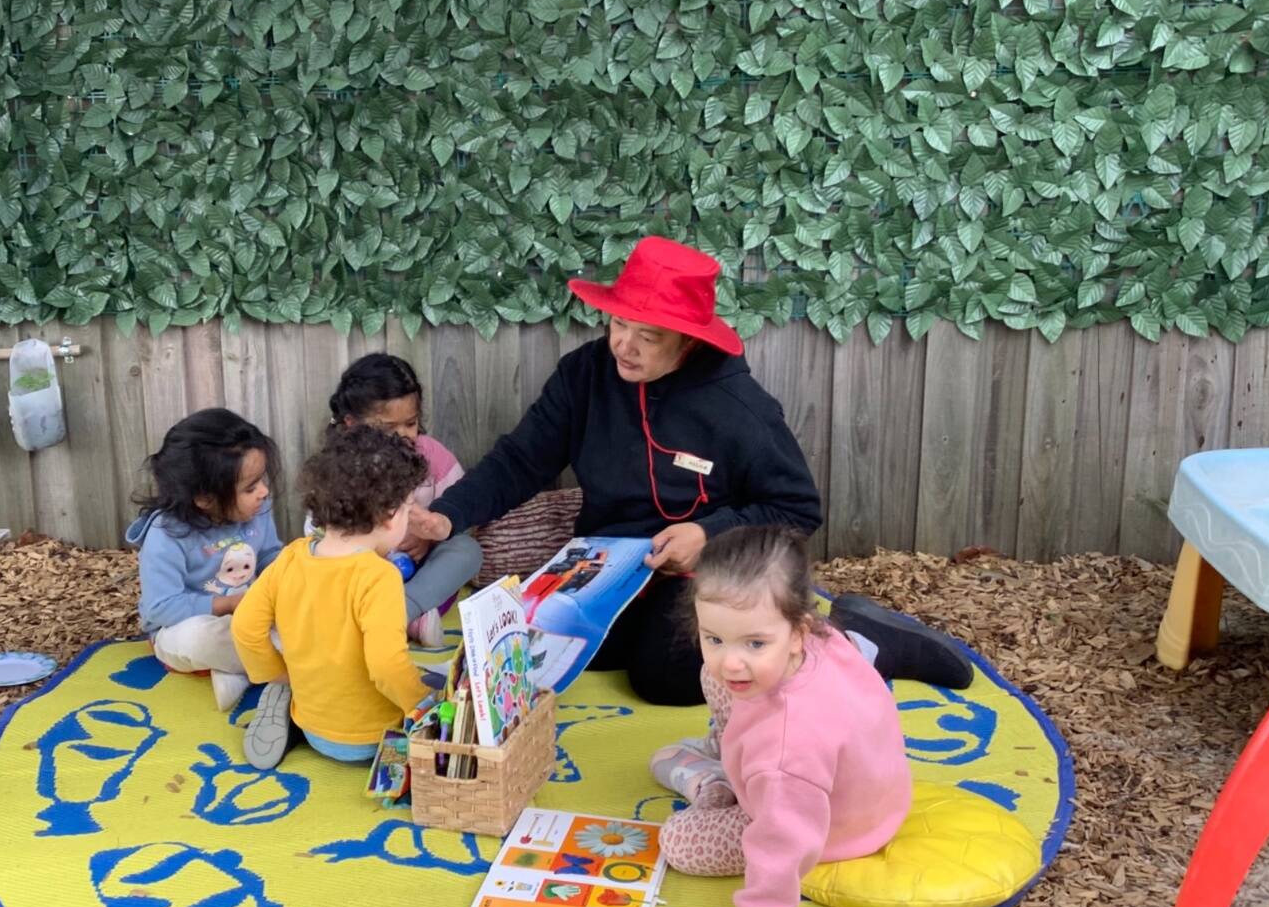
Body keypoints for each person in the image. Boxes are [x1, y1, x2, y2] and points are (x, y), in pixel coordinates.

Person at [407, 235, 974, 704]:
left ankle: (858, 639)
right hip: (611, 566)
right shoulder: (584, 375)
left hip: (708, 569)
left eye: (648, 336)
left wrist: (709, 535)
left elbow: (796, 509)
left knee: (665, 678)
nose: (624, 346)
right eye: (618, 324)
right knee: (556, 649)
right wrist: (447, 516)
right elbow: (520, 459)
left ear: (687, 341)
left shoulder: (737, 405)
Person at [653, 525, 912, 907]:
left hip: (833, 825)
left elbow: (784, 841)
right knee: (714, 676)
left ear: (797, 631)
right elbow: (738, 659)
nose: (731, 660)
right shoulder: (817, 637)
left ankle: (717, 783)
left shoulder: (787, 750)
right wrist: (751, 653)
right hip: (868, 786)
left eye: (755, 643)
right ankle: (732, 760)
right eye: (713, 638)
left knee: (677, 842)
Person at [232, 424, 439, 769]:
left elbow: (244, 627)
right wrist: (423, 703)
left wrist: (278, 673)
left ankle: (287, 706)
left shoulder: (290, 558)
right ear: (390, 516)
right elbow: (386, 665)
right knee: (434, 686)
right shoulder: (379, 577)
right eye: (408, 508)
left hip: (314, 727)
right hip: (373, 738)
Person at [318, 353, 482, 648]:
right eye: (387, 428)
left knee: (467, 550)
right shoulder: (341, 465)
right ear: (351, 423)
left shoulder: (434, 457)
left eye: (410, 423)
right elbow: (320, 534)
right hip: (362, 576)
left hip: (419, 577)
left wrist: (428, 539)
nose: (403, 436)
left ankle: (403, 612)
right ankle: (392, 618)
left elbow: (462, 517)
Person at [125, 409, 283, 712]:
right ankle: (281, 669)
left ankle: (239, 672)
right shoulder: (166, 535)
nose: (263, 492)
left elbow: (269, 557)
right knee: (199, 639)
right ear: (204, 498)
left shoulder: (257, 508)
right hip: (183, 628)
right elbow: (161, 608)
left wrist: (288, 581)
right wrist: (229, 604)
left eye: (262, 480)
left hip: (251, 616)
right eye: (250, 487)